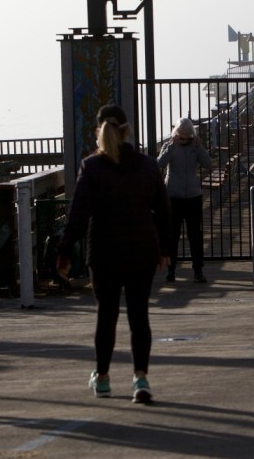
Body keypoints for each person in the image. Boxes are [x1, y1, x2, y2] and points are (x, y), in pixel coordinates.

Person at [55, 105, 170, 404]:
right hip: (142, 250)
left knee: (106, 316)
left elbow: (78, 214)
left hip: (104, 252)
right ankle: (140, 379)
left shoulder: (91, 167)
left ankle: (103, 379)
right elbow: (163, 211)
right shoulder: (147, 166)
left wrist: (64, 252)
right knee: (139, 317)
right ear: (127, 130)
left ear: (99, 131)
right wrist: (165, 250)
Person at [156, 117, 214, 283]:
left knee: (195, 236)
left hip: (193, 197)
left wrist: (200, 147)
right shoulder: (169, 146)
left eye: (186, 137)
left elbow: (209, 164)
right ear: (176, 134)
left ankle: (198, 270)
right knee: (172, 236)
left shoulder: (195, 147)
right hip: (173, 196)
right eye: (180, 136)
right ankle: (171, 270)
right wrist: (171, 147)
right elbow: (159, 163)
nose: (183, 140)